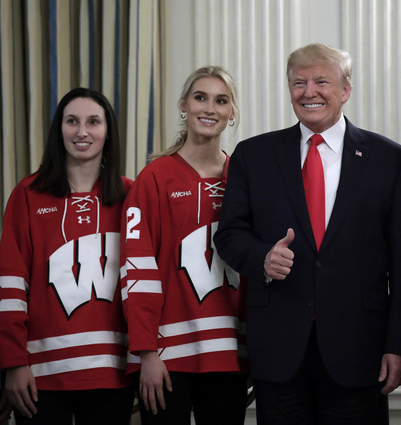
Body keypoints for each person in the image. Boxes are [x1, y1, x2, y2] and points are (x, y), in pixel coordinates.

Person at [214, 43, 401, 424]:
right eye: (298, 82)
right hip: (278, 350)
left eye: (322, 81)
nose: (309, 92)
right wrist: (262, 259)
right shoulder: (253, 156)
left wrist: (395, 344)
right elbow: (229, 234)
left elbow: (400, 262)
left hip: (360, 350)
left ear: (345, 90)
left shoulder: (388, 159)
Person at [120, 66, 247, 425]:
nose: (210, 108)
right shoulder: (154, 178)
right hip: (167, 355)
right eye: (200, 97)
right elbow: (137, 267)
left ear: (232, 112)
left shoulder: (244, 176)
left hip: (228, 353)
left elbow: (254, 272)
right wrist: (146, 352)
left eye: (221, 101)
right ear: (183, 105)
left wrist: (253, 352)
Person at [0, 87, 134, 424]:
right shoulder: (27, 195)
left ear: (108, 131)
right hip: (40, 376)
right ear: (59, 129)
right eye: (72, 121)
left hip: (113, 373)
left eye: (94, 122)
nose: (82, 132)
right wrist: (14, 363)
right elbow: (10, 286)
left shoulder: (132, 195)